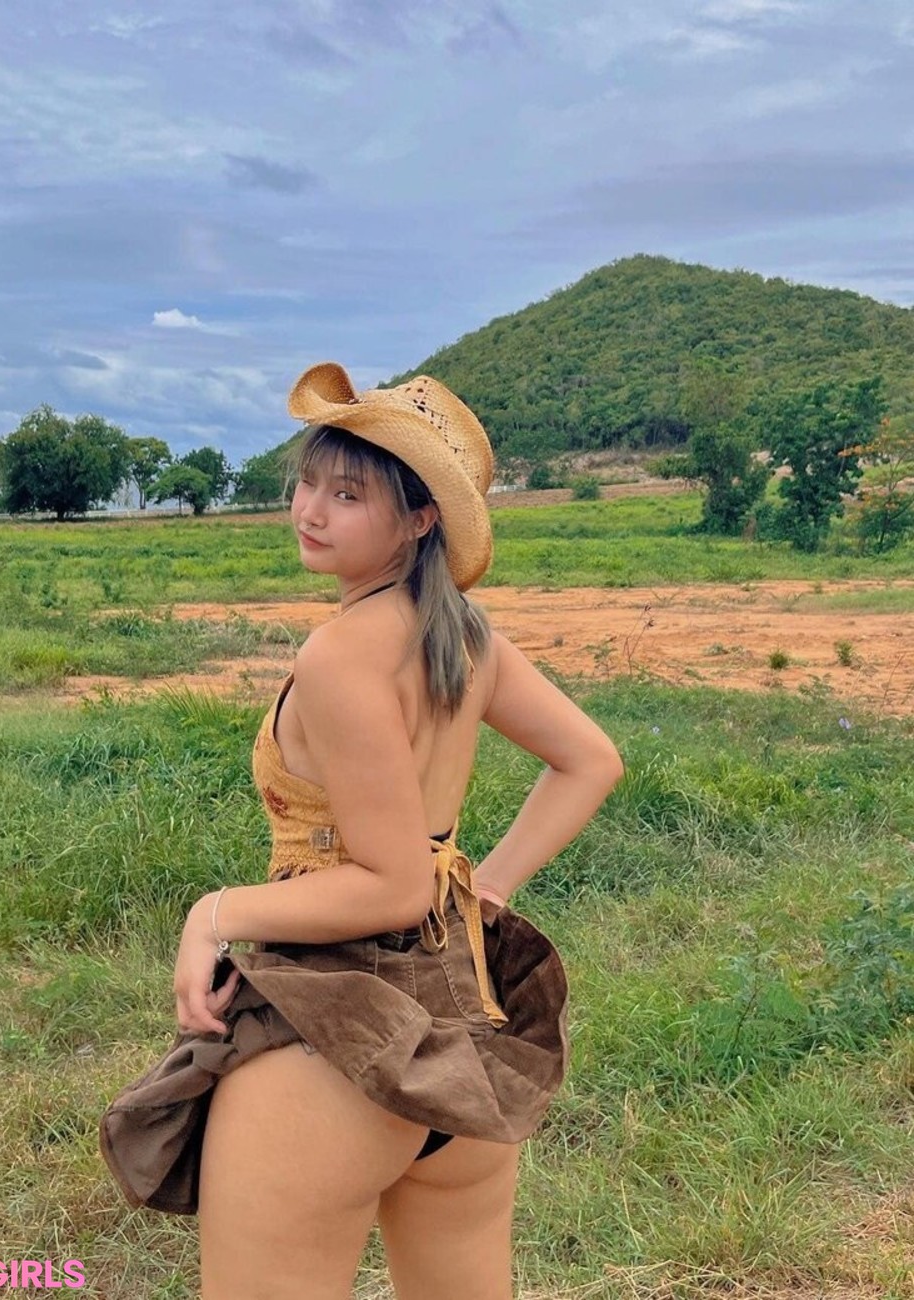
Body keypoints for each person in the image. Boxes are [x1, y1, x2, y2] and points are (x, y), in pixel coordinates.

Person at [100, 362, 624, 1300]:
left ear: (421, 520)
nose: (310, 511)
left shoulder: (342, 653)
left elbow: (390, 885)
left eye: (348, 495)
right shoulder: (466, 635)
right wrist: (489, 884)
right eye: (308, 483)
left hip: (334, 1042)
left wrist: (212, 913)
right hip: (460, 1033)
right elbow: (590, 761)